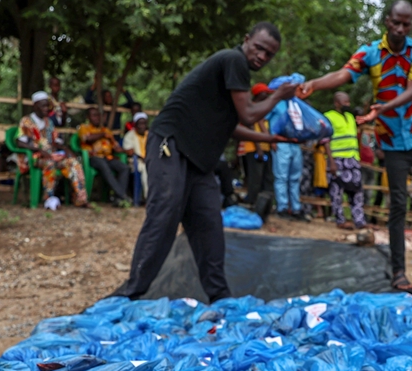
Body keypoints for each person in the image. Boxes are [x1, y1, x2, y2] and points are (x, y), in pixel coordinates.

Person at [111, 23, 296, 301]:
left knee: (208, 224)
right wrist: (278, 96)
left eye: (268, 54)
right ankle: (130, 293)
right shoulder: (234, 60)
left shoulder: (234, 78)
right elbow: (248, 115)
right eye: (258, 48)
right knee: (166, 212)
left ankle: (220, 298)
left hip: (200, 160)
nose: (261, 56)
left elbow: (232, 126)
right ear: (246, 40)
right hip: (171, 142)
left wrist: (273, 139)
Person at [299, 0, 412, 292]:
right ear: (387, 21)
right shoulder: (370, 52)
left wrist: (381, 109)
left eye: (405, 24)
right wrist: (314, 84)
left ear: (411, 25)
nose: (399, 29)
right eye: (395, 22)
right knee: (397, 203)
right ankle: (399, 271)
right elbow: (344, 74)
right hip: (392, 141)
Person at [14, 92, 88, 207]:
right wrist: (38, 150)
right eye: (43, 106)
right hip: (33, 158)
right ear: (35, 106)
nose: (46, 109)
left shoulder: (49, 122)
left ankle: (80, 199)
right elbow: (20, 142)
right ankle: (48, 198)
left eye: (47, 106)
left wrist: (65, 149)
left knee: (74, 163)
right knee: (50, 163)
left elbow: (56, 141)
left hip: (51, 156)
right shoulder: (26, 121)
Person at [324, 91, 366, 230]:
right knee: (337, 191)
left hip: (353, 158)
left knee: (357, 190)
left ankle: (359, 220)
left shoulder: (350, 117)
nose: (347, 105)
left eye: (348, 102)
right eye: (344, 102)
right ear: (337, 103)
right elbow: (325, 140)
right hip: (337, 158)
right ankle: (340, 220)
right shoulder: (328, 117)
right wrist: (331, 162)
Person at [77, 106, 131, 206]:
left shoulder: (106, 130)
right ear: (88, 117)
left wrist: (127, 151)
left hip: (108, 158)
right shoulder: (84, 128)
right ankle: (123, 196)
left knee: (124, 168)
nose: (97, 118)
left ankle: (118, 198)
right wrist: (102, 134)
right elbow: (86, 139)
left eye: (98, 115)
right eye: (94, 116)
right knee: (104, 166)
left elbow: (116, 147)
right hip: (93, 158)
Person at [238, 83, 275, 213]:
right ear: (260, 94)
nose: (268, 96)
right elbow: (251, 127)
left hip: (265, 148)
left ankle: (265, 206)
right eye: (266, 93)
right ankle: (252, 205)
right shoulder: (251, 108)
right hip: (253, 148)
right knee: (255, 178)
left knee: (268, 178)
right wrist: (258, 148)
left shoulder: (263, 109)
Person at [270, 97, 305, 220]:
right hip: (281, 143)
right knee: (281, 177)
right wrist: (270, 139)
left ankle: (296, 208)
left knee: (295, 178)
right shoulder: (276, 103)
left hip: (295, 144)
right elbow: (263, 120)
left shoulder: (297, 104)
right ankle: (282, 207)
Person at [122, 111, 150, 205]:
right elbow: (129, 151)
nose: (142, 126)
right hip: (136, 162)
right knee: (145, 169)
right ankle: (148, 198)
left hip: (150, 160)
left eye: (144, 123)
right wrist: (142, 157)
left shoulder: (150, 134)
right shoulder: (130, 135)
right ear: (135, 124)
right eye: (140, 123)